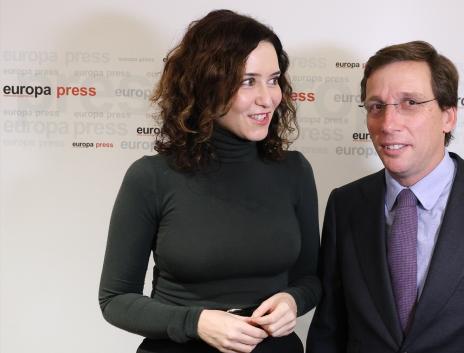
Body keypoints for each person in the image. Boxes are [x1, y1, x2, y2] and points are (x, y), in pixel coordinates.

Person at [306, 41, 464, 353]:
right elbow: (328, 335)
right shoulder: (344, 206)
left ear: (448, 116)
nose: (388, 123)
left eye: (410, 103)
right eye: (376, 106)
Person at [99, 10, 321, 353]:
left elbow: (310, 279)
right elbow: (115, 299)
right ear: (206, 85)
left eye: (274, 79)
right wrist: (196, 322)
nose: (268, 98)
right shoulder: (151, 177)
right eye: (248, 81)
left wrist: (292, 301)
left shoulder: (294, 171)